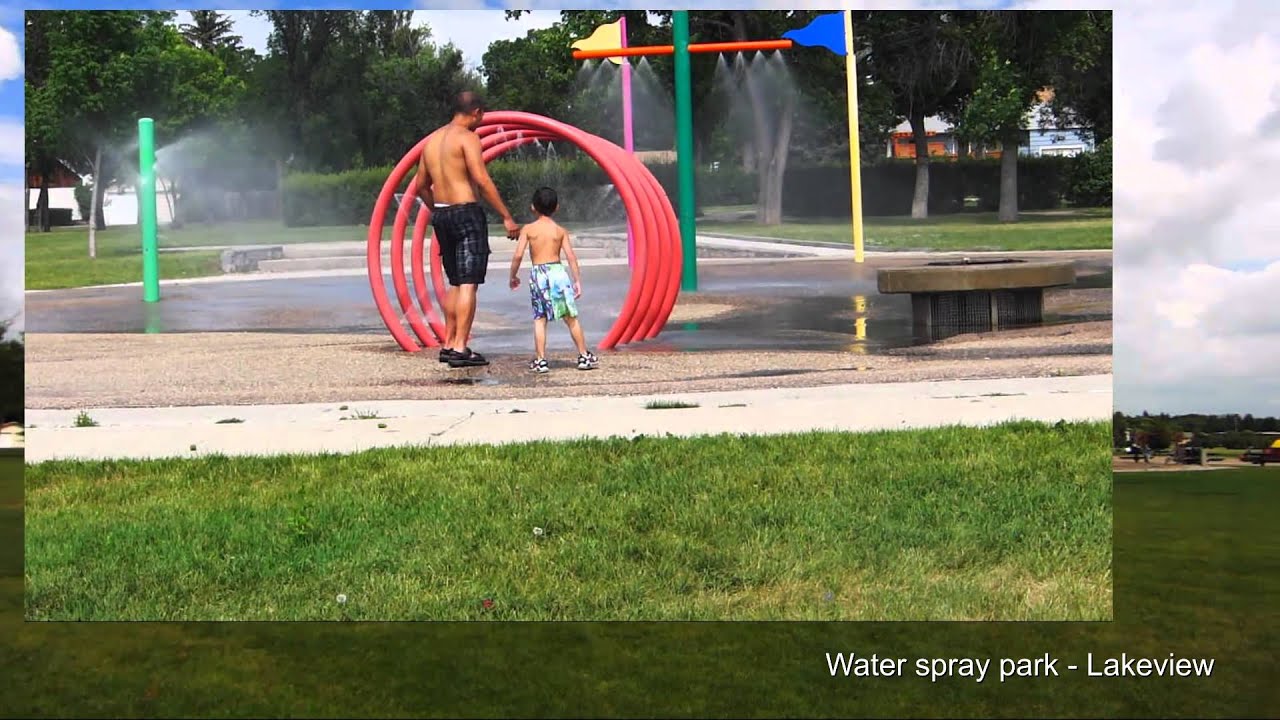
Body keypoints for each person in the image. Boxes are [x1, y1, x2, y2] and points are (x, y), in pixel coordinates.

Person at [417, 91, 521, 368]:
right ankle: (462, 348)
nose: (481, 120)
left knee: (455, 283)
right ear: (475, 112)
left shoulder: (432, 141)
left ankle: (449, 343)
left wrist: (437, 210)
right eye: (482, 116)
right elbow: (481, 179)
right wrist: (507, 217)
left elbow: (420, 186)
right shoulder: (468, 138)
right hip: (466, 213)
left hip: (442, 214)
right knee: (468, 284)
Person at [508, 187, 599, 373]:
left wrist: (513, 275)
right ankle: (583, 355)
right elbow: (571, 256)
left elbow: (518, 255)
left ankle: (541, 360)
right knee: (571, 317)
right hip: (558, 272)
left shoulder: (529, 229)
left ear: (533, 207)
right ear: (557, 207)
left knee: (540, 319)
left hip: (539, 274)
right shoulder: (560, 231)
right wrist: (577, 280)